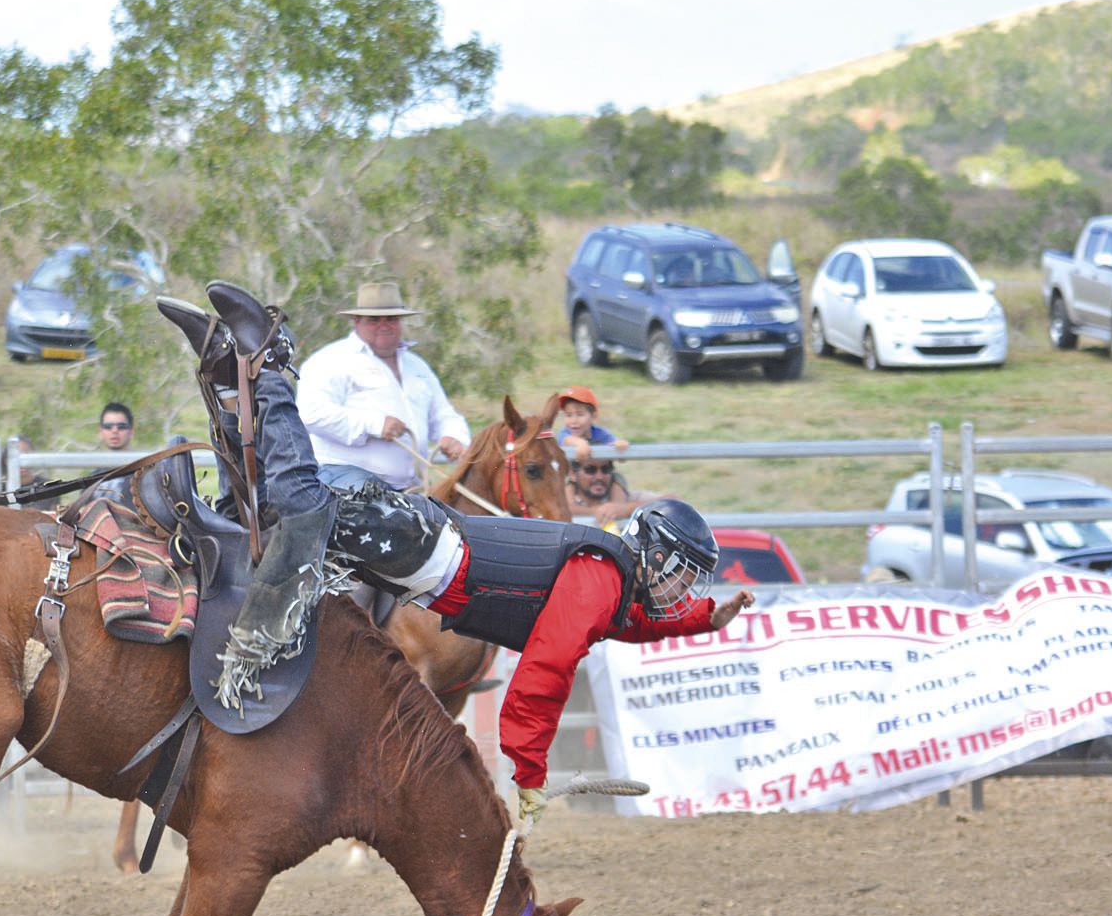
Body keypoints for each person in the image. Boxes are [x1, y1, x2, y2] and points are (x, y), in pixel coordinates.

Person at [157, 282, 754, 826]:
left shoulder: (611, 589)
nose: (682, 589)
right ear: (652, 558)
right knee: (301, 504)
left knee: (271, 502)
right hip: (425, 550)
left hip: (423, 541)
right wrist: (530, 777)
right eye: (680, 576)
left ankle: (227, 370)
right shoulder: (599, 586)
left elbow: (633, 626)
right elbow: (540, 680)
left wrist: (703, 619)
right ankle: (269, 360)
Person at [294, 281, 469, 491]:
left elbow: (443, 414)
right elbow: (311, 414)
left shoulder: (417, 366)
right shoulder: (330, 360)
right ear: (357, 321)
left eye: (392, 319)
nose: (384, 325)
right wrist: (374, 425)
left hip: (410, 487)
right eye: (374, 320)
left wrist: (453, 437)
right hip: (342, 479)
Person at [566, 459, 660, 525]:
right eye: (590, 470)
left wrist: (627, 509)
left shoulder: (624, 495)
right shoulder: (563, 499)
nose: (600, 476)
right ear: (573, 474)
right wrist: (594, 511)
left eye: (605, 469)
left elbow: (671, 500)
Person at [553, 385, 629, 462]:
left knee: (616, 474)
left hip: (597, 472)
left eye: (580, 414)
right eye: (568, 415)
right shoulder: (563, 434)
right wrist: (580, 443)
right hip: (569, 473)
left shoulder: (601, 434)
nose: (574, 420)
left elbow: (621, 457)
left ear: (593, 416)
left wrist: (620, 446)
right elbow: (567, 440)